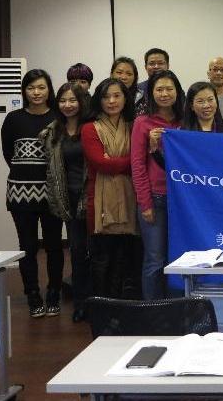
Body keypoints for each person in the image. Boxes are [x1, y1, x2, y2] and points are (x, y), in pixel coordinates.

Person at [1, 69, 60, 317]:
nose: (36, 92)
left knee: (54, 246)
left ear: (49, 90)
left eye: (41, 87)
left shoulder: (58, 116)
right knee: (27, 246)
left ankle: (54, 293)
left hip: (52, 193)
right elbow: (8, 154)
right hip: (20, 193)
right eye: (31, 88)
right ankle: (33, 295)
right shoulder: (13, 119)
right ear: (24, 91)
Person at [82, 78, 142, 299]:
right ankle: (101, 307)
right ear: (98, 100)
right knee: (101, 260)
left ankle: (120, 307)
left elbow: (140, 162)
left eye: (117, 95)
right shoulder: (90, 128)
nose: (111, 101)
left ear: (126, 99)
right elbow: (100, 163)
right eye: (106, 96)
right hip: (99, 203)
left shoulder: (134, 126)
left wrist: (116, 161)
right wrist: (129, 161)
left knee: (124, 260)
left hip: (130, 200)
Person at [39, 83, 91, 322]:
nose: (67, 105)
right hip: (67, 198)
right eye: (62, 100)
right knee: (77, 252)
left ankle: (100, 302)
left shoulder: (92, 127)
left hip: (93, 196)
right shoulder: (52, 132)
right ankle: (81, 304)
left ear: (81, 102)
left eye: (72, 100)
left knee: (98, 252)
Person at [131, 70, 184, 300]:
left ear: (177, 92)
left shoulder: (185, 122)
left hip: (182, 201)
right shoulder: (142, 123)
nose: (164, 94)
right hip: (155, 198)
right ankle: (152, 311)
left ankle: (176, 309)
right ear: (151, 93)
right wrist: (145, 203)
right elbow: (137, 165)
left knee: (179, 259)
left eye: (169, 89)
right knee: (155, 259)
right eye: (159, 89)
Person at [135, 48, 169, 116]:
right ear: (145, 67)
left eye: (160, 63)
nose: (156, 66)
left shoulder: (175, 88)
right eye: (152, 63)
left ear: (168, 66)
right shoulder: (138, 89)